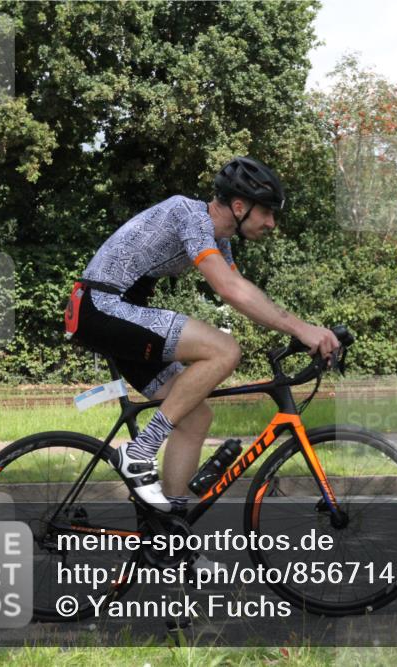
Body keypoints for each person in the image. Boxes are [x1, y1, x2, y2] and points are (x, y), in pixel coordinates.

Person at [65, 156, 340, 516]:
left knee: (195, 419)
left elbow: (244, 294)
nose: (272, 222)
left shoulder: (219, 240)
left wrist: (300, 329)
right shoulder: (189, 215)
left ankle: (170, 538)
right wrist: (303, 330)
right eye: (268, 212)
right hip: (101, 305)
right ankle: (140, 451)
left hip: (112, 311)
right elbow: (229, 289)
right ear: (240, 206)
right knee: (224, 349)